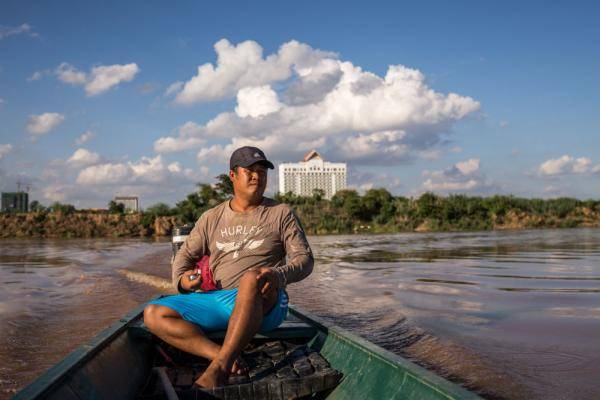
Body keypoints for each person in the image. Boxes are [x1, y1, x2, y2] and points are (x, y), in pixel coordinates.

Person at [143, 146, 314, 388]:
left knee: (251, 278)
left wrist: (277, 275)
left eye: (262, 171)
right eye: (250, 170)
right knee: (153, 313)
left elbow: (305, 260)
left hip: (266, 300)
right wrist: (182, 281)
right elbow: (183, 257)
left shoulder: (280, 213)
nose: (257, 176)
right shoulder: (211, 218)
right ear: (232, 176)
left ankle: (220, 369)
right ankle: (220, 355)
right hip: (221, 300)